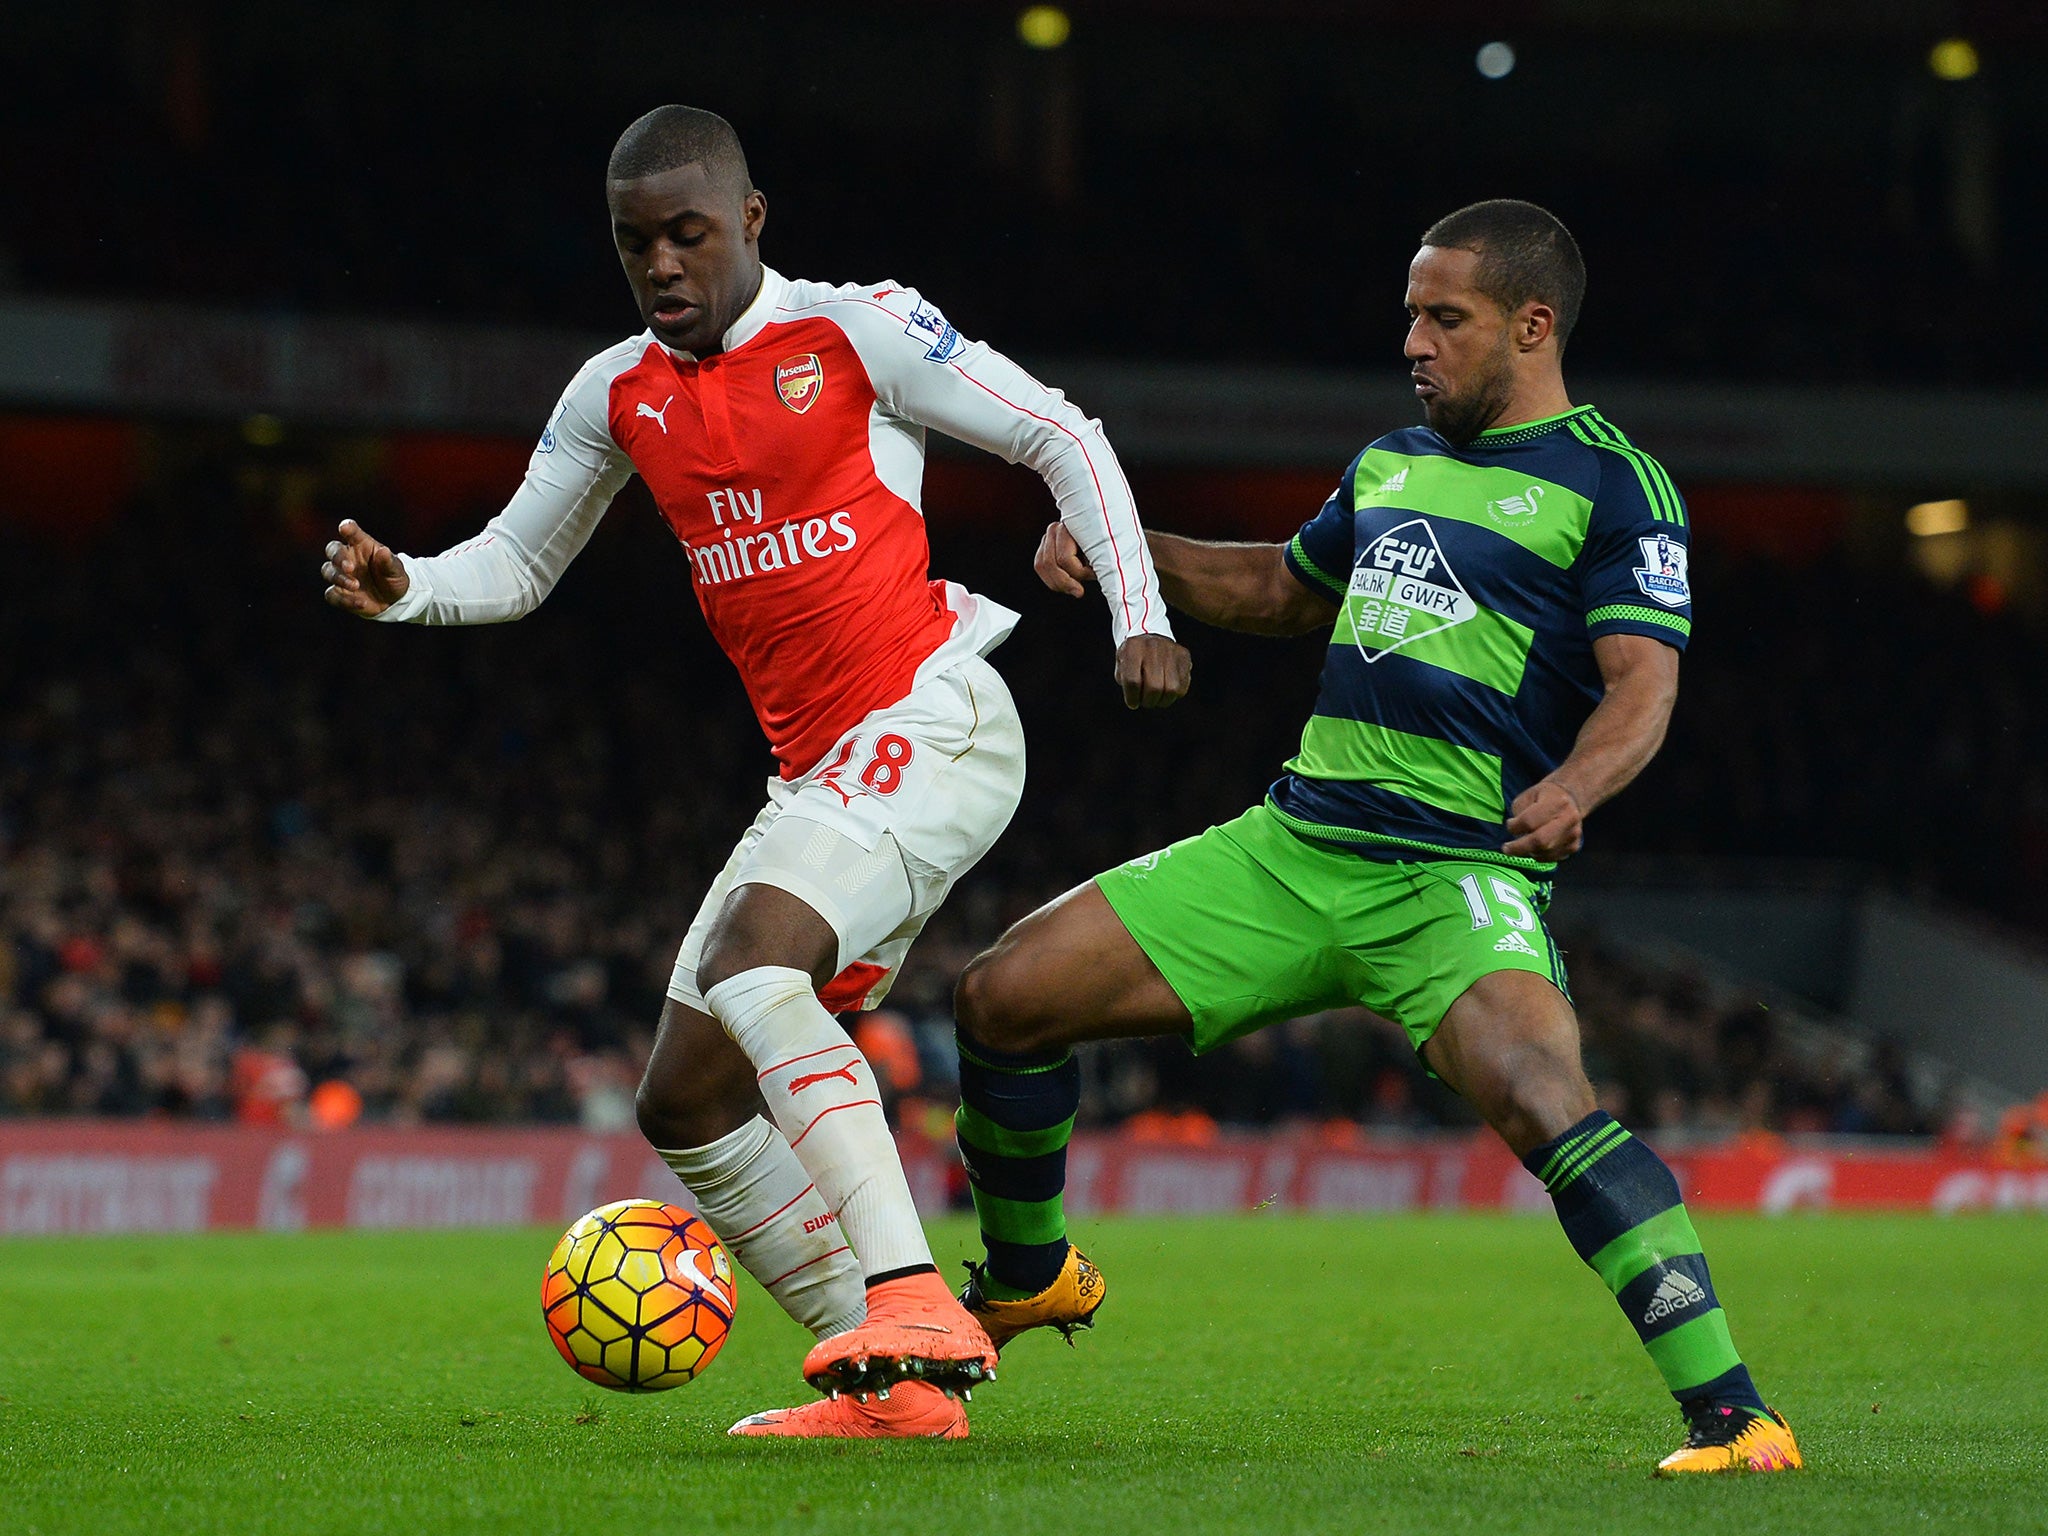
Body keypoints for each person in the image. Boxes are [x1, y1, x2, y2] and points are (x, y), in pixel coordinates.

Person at [321, 105, 1190, 1439]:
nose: (662, 265)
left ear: (752, 220)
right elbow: (520, 559)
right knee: (686, 1095)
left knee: (751, 961)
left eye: (688, 233)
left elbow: (1057, 433)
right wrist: (408, 590)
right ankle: (894, 1385)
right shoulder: (618, 392)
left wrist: (1140, 610)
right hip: (818, 771)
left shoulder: (856, 330)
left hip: (934, 712)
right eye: (634, 245)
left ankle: (907, 1293)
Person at [946, 201, 1802, 1476]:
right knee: (1002, 995)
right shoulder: (1391, 459)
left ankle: (1735, 1418)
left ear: (1530, 323)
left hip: (1450, 876)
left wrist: (1573, 790)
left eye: (1441, 317)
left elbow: (1642, 687)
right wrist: (1126, 546)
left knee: (1540, 1098)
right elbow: (1283, 593)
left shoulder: (1614, 485)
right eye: (1409, 313)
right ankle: (1026, 1277)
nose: (1411, 340)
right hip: (1290, 851)